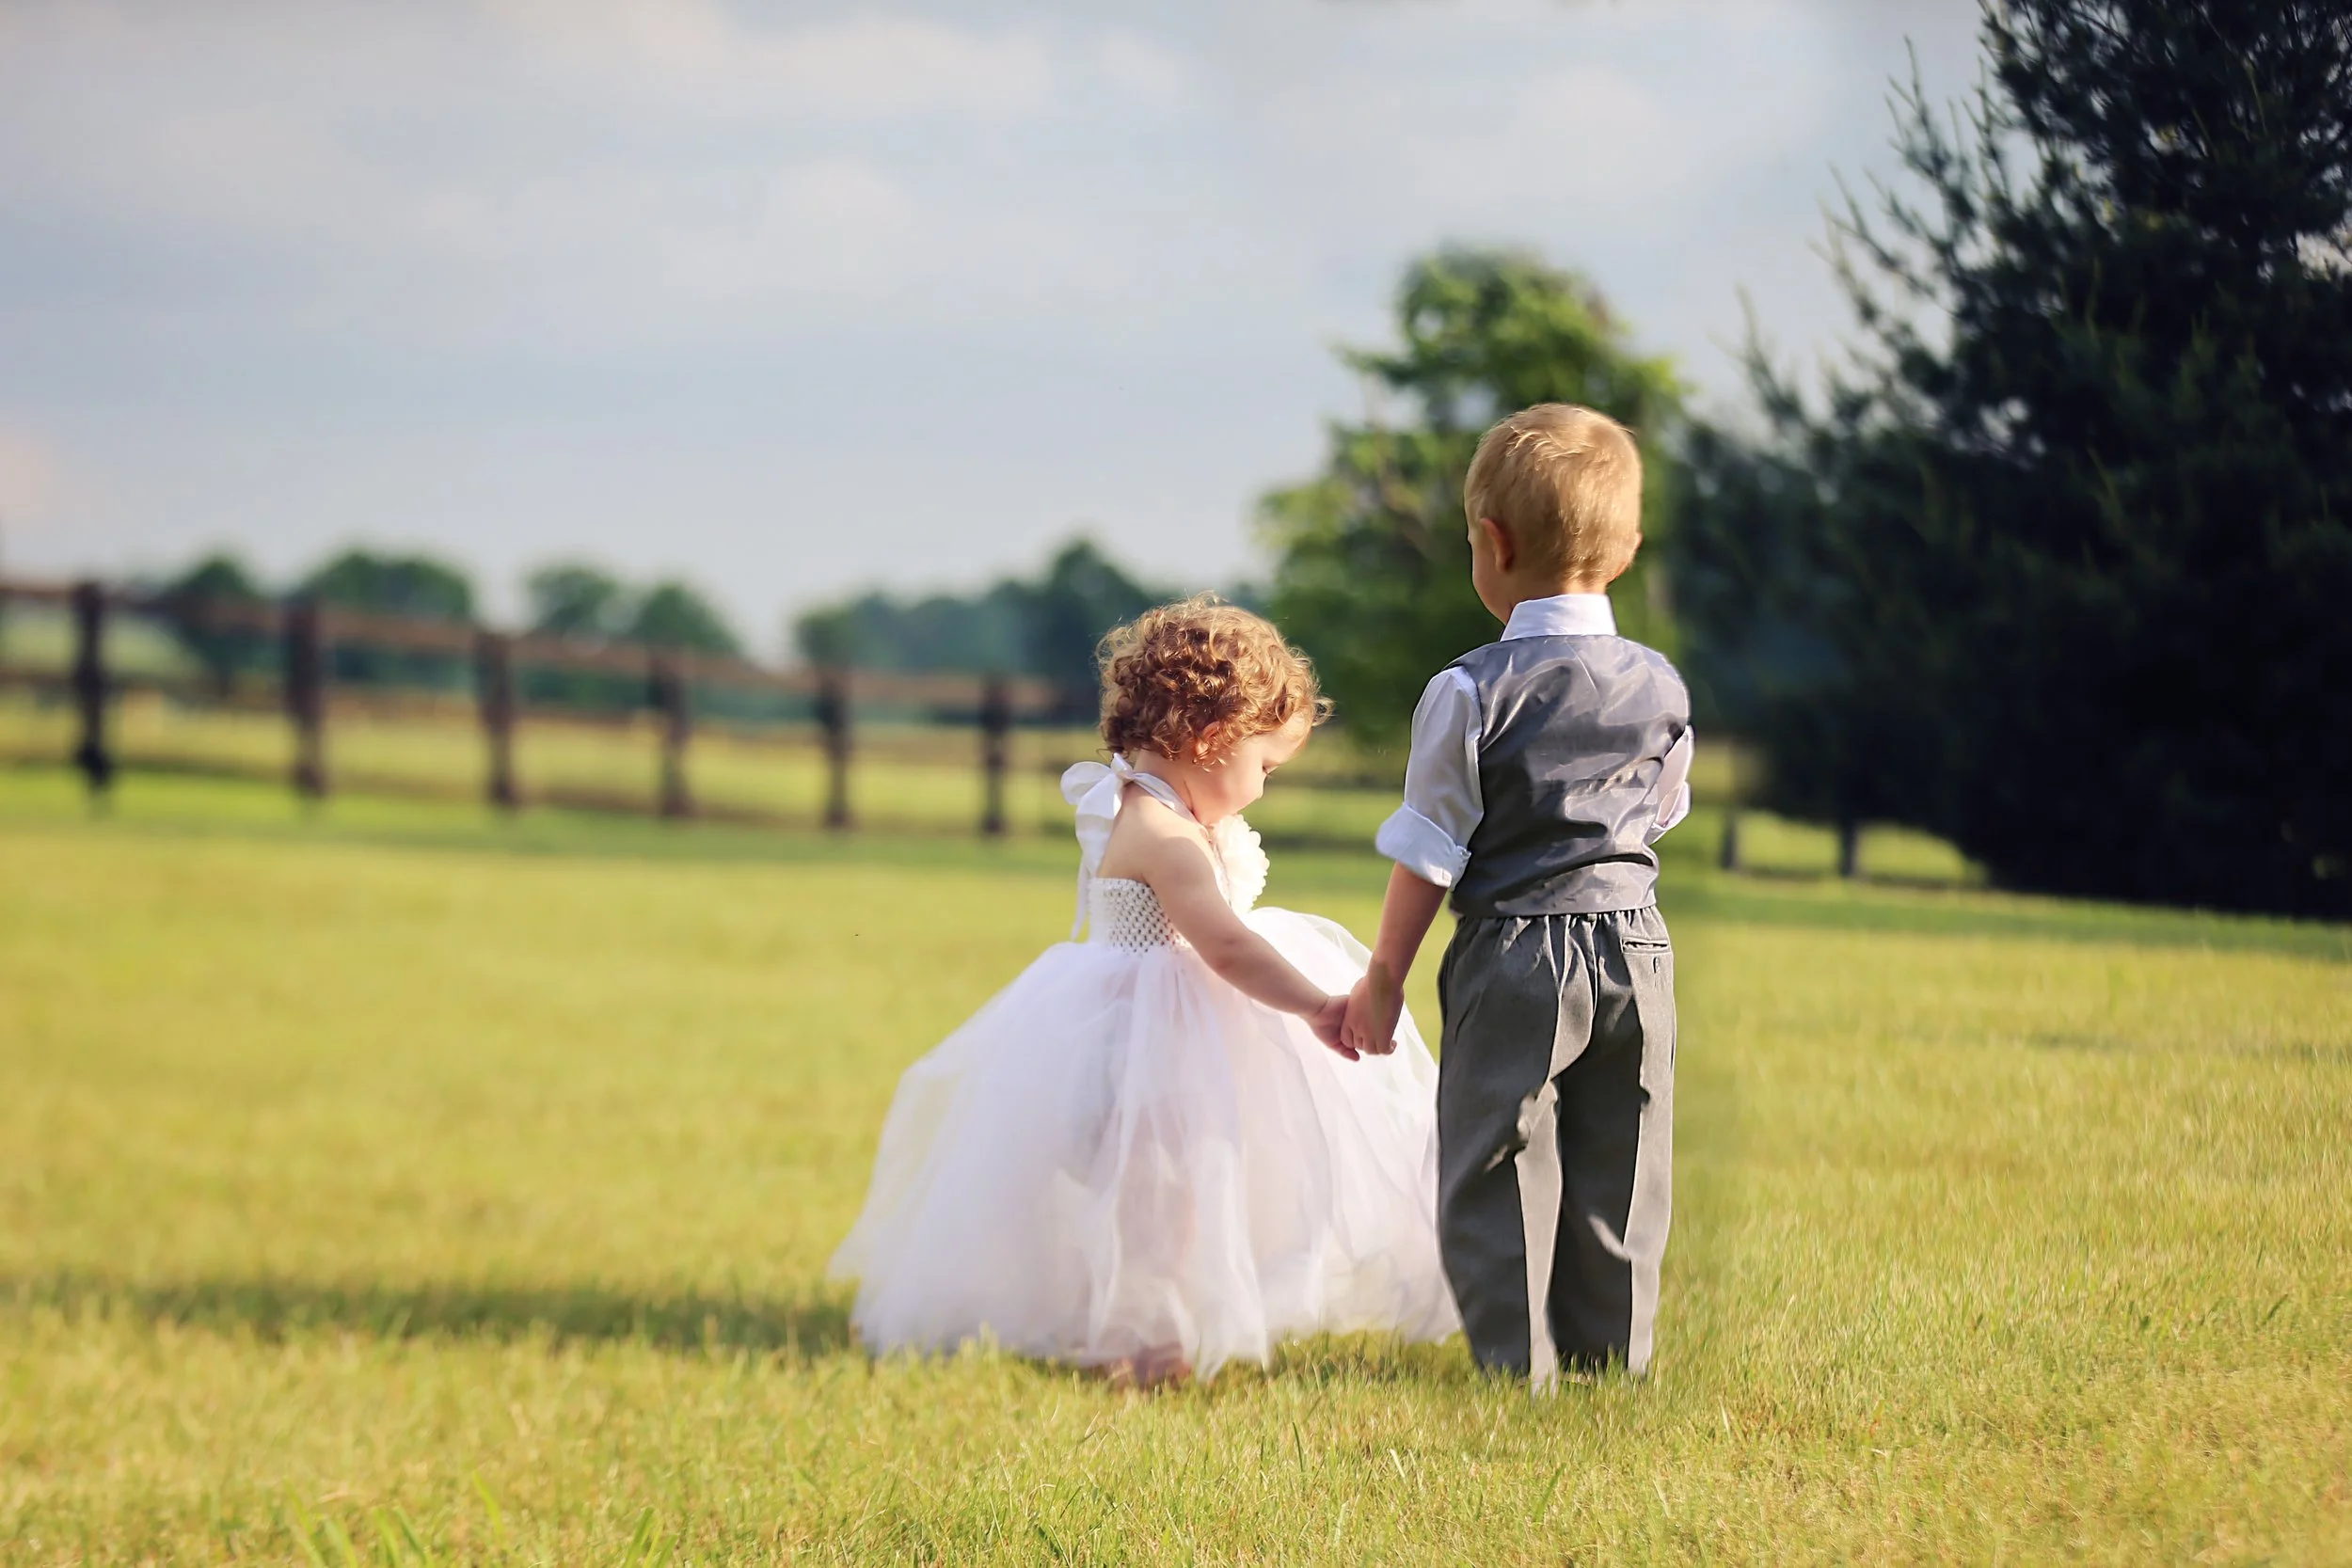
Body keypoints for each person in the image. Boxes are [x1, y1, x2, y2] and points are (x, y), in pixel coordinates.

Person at [832, 596, 1458, 1386]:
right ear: (1210, 739)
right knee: (1154, 1201)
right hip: (1144, 1039)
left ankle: (1158, 1333)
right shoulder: (1163, 835)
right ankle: (1138, 1344)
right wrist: (1315, 1004)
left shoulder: (1155, 807)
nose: (1262, 790)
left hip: (1171, 1029)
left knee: (1181, 1194)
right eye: (1263, 767)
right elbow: (1226, 943)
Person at [1343, 404, 1692, 1389]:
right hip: (1637, 944)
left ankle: (1516, 1369)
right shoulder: (1661, 685)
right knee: (1623, 1160)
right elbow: (1657, 811)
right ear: (1624, 550)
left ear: (1489, 545)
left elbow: (1428, 852)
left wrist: (1382, 979)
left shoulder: (1469, 689)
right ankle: (1611, 1364)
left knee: (1496, 1161)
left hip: (1516, 951)